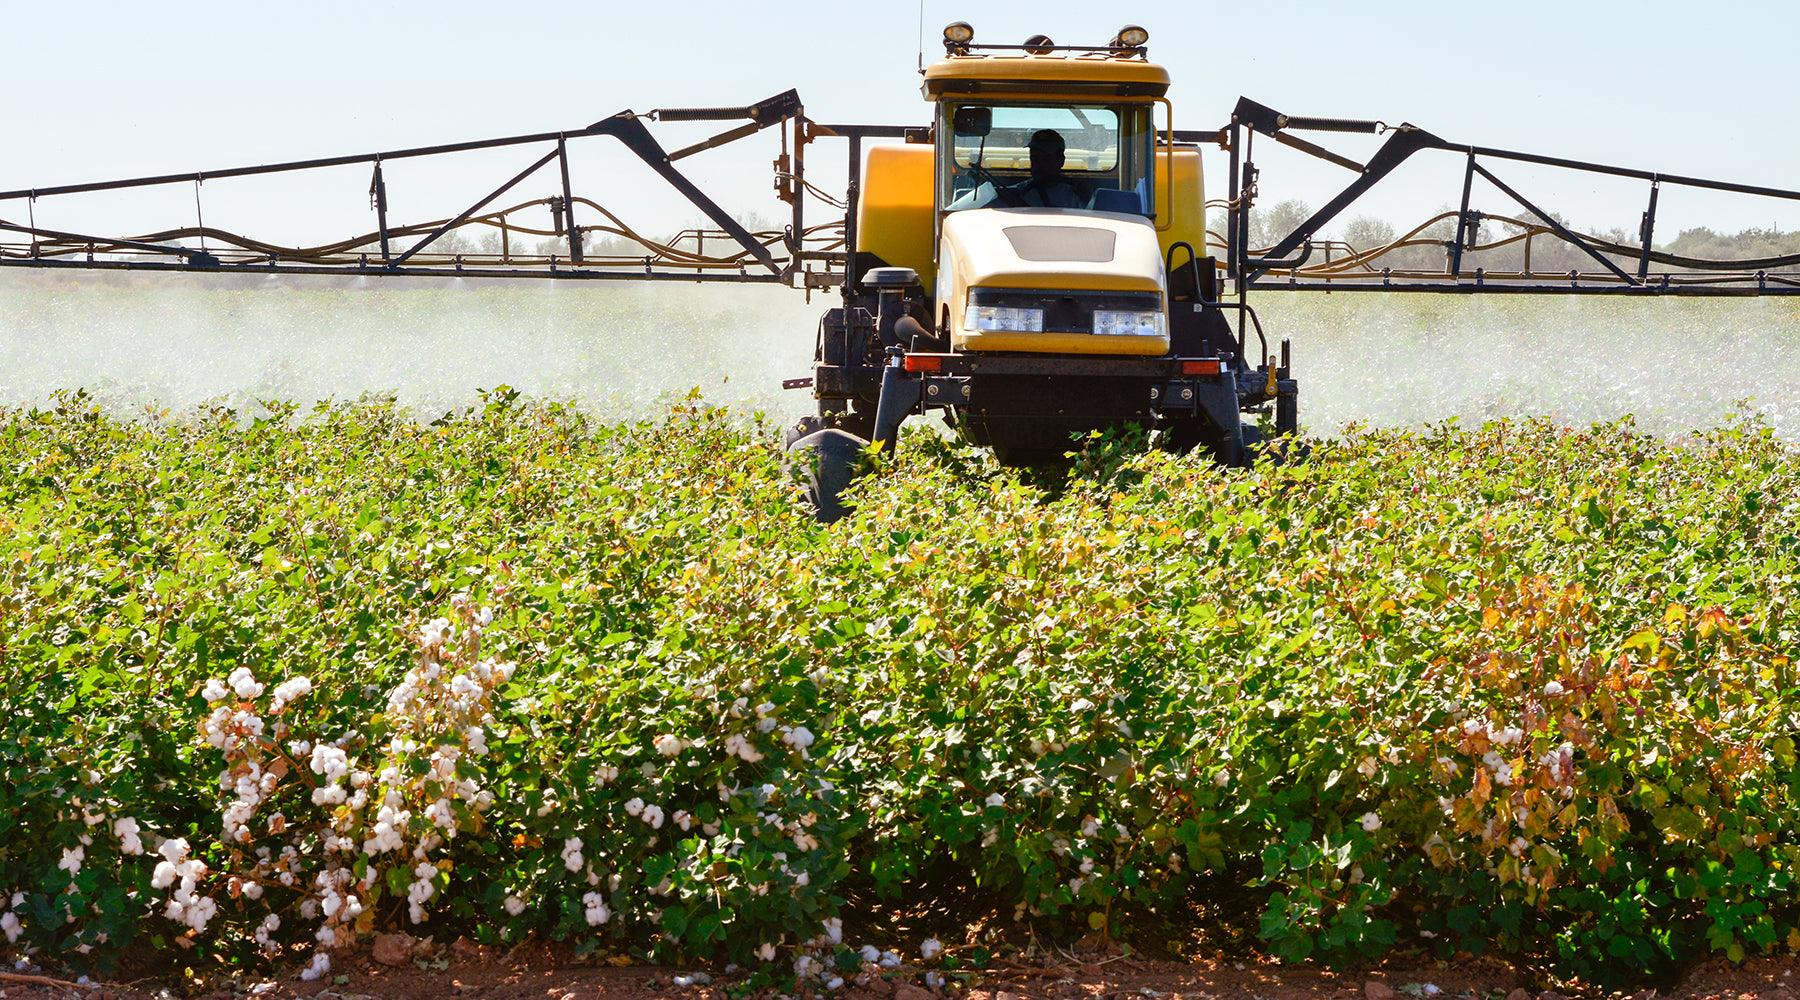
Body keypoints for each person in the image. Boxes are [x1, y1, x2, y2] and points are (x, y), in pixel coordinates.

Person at [948, 128, 1088, 210]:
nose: (1038, 164)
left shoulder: (1076, 193)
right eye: (1035, 158)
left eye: (1045, 158)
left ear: (1060, 161)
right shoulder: (1020, 190)